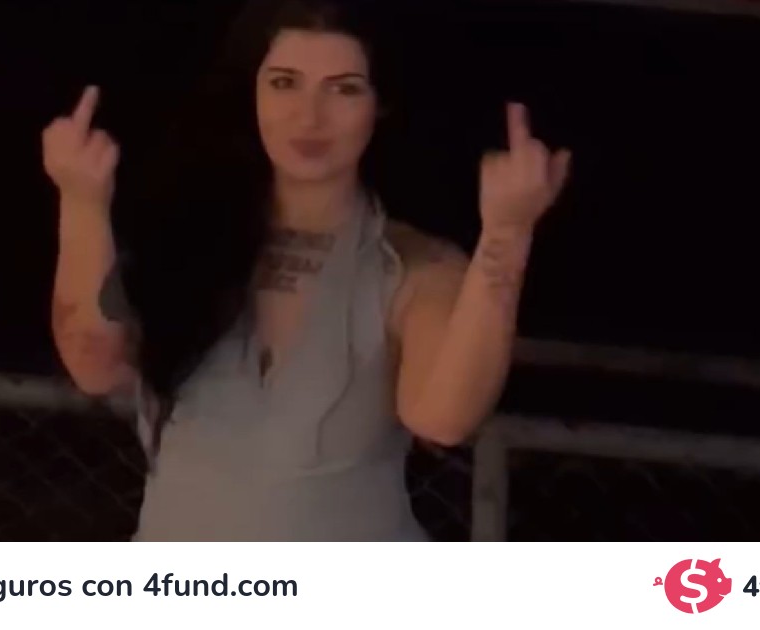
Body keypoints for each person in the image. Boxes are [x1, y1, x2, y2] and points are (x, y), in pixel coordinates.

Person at [41, 0, 570, 541]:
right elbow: (95, 367)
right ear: (251, 89)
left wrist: (507, 234)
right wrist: (81, 201)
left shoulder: (415, 266)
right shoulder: (183, 240)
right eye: (284, 83)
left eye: (344, 90)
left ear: (380, 104)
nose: (309, 117)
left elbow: (442, 417)